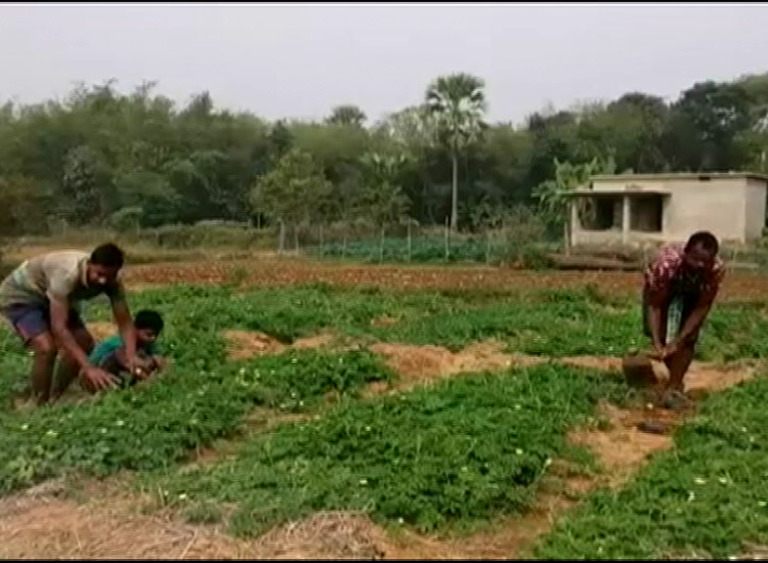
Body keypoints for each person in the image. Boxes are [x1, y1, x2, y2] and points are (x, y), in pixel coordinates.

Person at [0, 243, 137, 405]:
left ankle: (55, 396)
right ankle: (38, 403)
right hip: (22, 295)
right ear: (89, 264)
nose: (102, 281)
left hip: (52, 296)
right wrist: (89, 368)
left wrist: (131, 355)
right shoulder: (66, 275)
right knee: (45, 348)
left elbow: (125, 322)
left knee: (84, 342)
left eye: (109, 276)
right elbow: (60, 328)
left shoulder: (113, 282)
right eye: (99, 274)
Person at [642, 230, 725, 408]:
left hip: (693, 292)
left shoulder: (715, 270)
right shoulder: (665, 265)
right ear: (685, 252)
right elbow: (655, 305)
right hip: (663, 288)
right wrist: (658, 343)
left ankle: (674, 387)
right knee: (657, 333)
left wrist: (679, 340)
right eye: (694, 259)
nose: (699, 265)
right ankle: (671, 377)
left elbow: (701, 307)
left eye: (705, 262)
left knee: (688, 339)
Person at [87, 309, 166, 389]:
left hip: (126, 369)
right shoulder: (119, 342)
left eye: (156, 335)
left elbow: (158, 358)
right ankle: (144, 379)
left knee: (148, 358)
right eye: (148, 334)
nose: (153, 338)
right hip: (102, 368)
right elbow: (129, 363)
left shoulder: (149, 343)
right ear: (135, 329)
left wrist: (162, 370)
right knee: (126, 355)